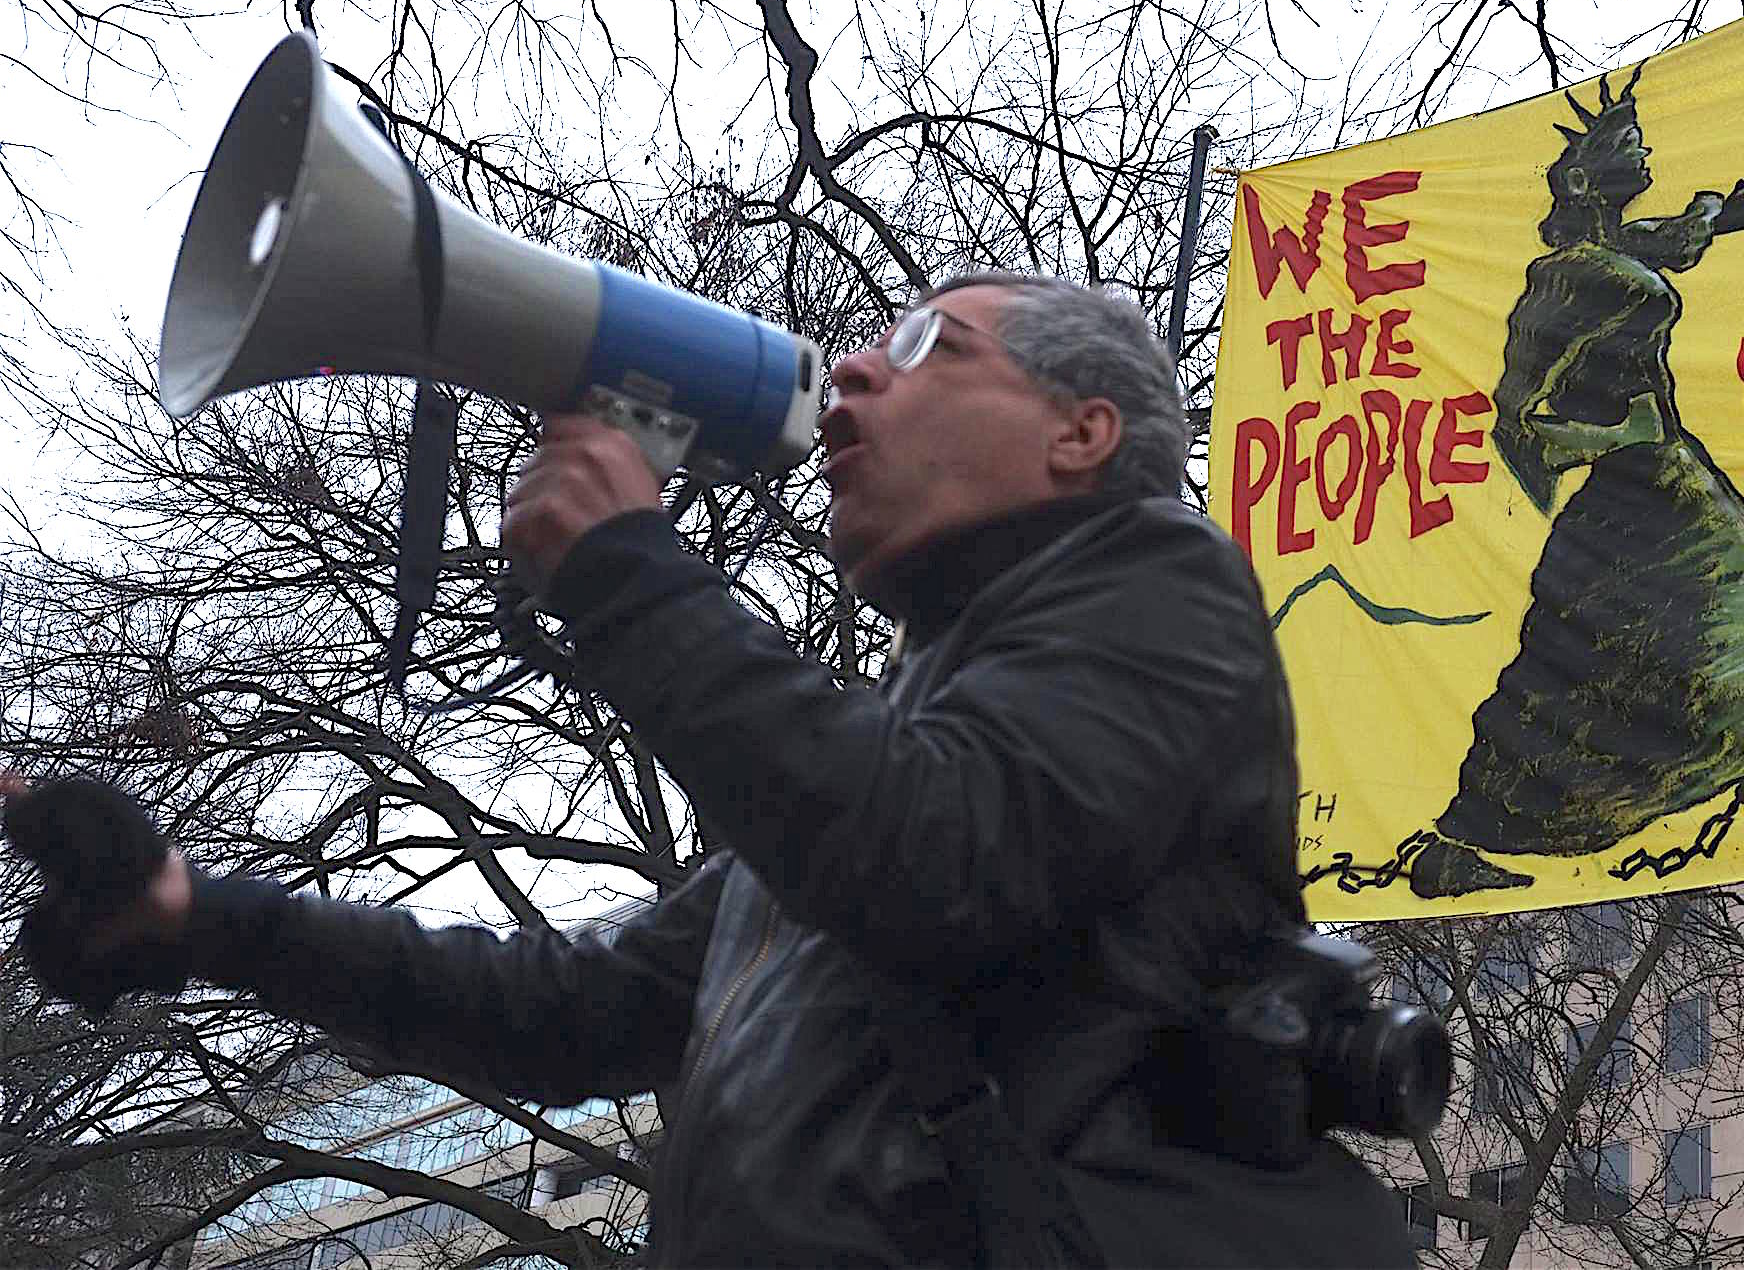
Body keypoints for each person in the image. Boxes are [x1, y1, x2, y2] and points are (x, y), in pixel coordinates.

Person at [7, 273, 1417, 1267]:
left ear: (1081, 434)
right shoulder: (866, 778)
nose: (853, 368)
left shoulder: (1163, 588)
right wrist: (201, 913)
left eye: (931, 343)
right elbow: (563, 1010)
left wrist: (626, 572)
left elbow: (935, 859)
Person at [1408, 58, 1744, 898]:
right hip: (1632, 487)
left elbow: (1739, 203)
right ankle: (1464, 838)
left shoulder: (1631, 248)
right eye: (1632, 144)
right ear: (1586, 175)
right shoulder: (1569, 277)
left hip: (1660, 475)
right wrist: (1619, 433)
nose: (1648, 155)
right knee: (1621, 645)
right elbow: (1519, 416)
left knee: (1679, 619)